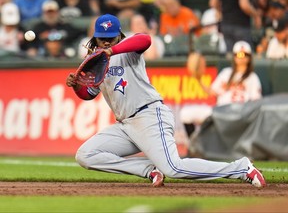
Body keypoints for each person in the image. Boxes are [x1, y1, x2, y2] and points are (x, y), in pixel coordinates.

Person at [66, 14, 266, 188]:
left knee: (174, 167)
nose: (107, 42)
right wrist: (77, 85)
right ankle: (148, 170)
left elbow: (144, 39)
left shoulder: (128, 52)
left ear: (119, 35)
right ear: (95, 38)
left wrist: (111, 51)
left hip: (149, 116)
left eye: (111, 38)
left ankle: (241, 168)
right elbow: (89, 94)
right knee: (86, 154)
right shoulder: (94, 60)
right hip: (125, 125)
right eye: (103, 39)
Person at [180, 41, 262, 142]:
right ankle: (194, 145)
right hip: (219, 113)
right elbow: (211, 91)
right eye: (238, 55)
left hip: (239, 116)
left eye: (244, 55)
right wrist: (198, 79)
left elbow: (256, 104)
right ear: (234, 57)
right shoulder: (226, 73)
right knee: (185, 113)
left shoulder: (253, 78)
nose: (241, 57)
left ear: (249, 58)